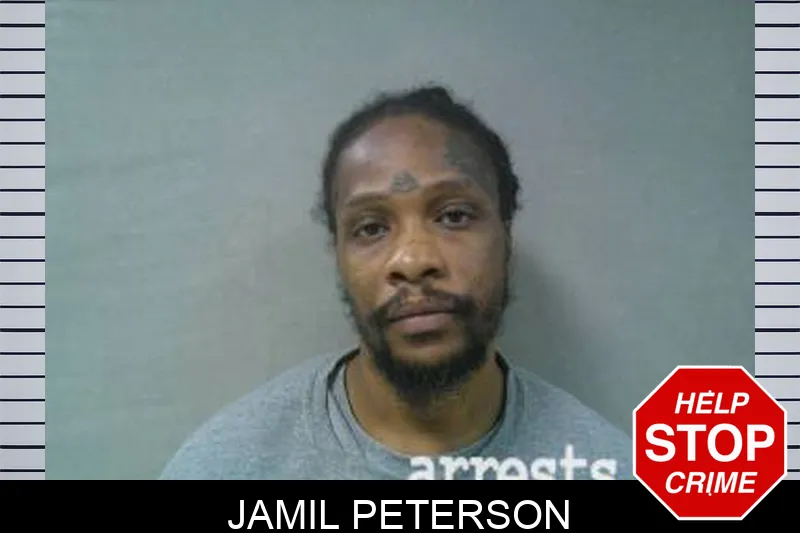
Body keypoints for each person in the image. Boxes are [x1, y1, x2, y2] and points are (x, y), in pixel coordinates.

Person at [160, 85, 633, 480]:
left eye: (453, 215)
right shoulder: (227, 467)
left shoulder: (609, 467)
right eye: (371, 228)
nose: (413, 260)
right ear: (338, 255)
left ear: (505, 233)